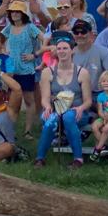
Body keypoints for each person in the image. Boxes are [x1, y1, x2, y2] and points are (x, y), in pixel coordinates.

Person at [36, 38, 90, 168]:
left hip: (76, 110)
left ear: (72, 51)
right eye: (59, 48)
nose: (62, 51)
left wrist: (81, 107)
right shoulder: (47, 72)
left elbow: (88, 100)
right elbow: (44, 98)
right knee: (50, 119)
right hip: (55, 108)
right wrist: (47, 106)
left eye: (65, 48)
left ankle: (78, 158)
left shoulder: (82, 72)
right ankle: (40, 158)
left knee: (68, 117)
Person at [0, 7, 43, 134]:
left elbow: (44, 39)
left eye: (17, 11)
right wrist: (3, 51)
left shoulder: (30, 27)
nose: (14, 14)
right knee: (11, 100)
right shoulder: (9, 27)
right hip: (11, 69)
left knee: (29, 100)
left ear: (23, 14)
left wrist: (35, 55)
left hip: (26, 69)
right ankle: (9, 130)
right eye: (12, 12)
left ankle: (27, 131)